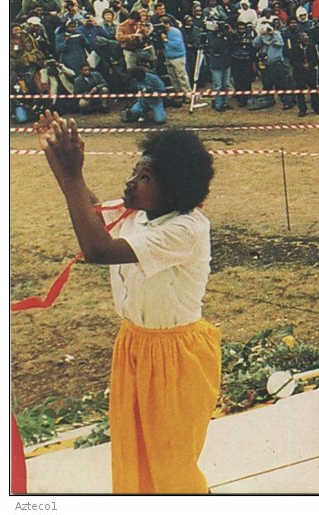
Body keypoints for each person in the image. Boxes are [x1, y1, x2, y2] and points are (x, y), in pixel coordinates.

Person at [34, 112, 218, 493]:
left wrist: (72, 175)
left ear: (175, 190)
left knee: (173, 465)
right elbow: (90, 206)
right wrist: (59, 160)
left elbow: (97, 250)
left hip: (178, 355)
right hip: (134, 345)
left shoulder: (186, 229)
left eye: (144, 178)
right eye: (134, 172)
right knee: (136, 455)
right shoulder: (137, 211)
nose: (131, 182)